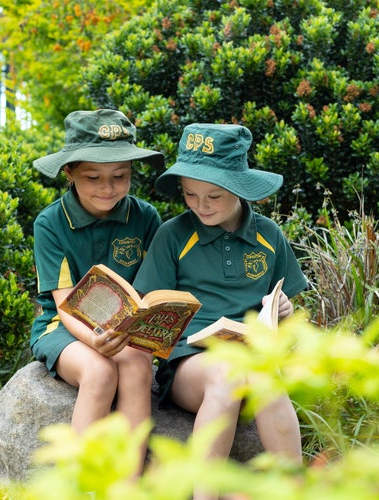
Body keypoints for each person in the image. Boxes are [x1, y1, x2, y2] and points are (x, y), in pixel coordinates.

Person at [133, 123, 308, 498]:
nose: (201, 205)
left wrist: (284, 310)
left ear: (240, 188)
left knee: (265, 376)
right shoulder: (173, 235)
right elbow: (150, 315)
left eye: (213, 195)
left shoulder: (268, 236)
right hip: (191, 365)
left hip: (254, 354)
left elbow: (284, 308)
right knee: (228, 373)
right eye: (190, 194)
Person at [29, 109, 164, 452]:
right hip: (64, 326)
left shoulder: (146, 217)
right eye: (93, 177)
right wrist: (94, 339)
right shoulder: (50, 223)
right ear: (70, 173)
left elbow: (149, 290)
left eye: (120, 175)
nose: (108, 188)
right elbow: (63, 303)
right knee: (100, 372)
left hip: (125, 328)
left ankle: (129, 486)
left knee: (136, 363)